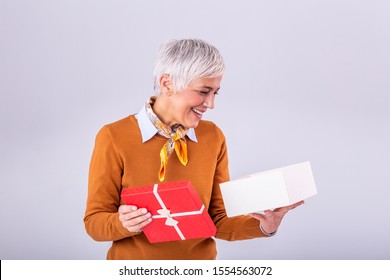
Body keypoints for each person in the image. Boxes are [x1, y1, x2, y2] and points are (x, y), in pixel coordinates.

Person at [84, 39, 303, 260]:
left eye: (215, 93)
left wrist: (265, 226)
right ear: (167, 84)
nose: (210, 103)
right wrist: (122, 223)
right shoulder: (114, 137)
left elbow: (216, 219)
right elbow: (94, 222)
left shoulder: (213, 137)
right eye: (203, 91)